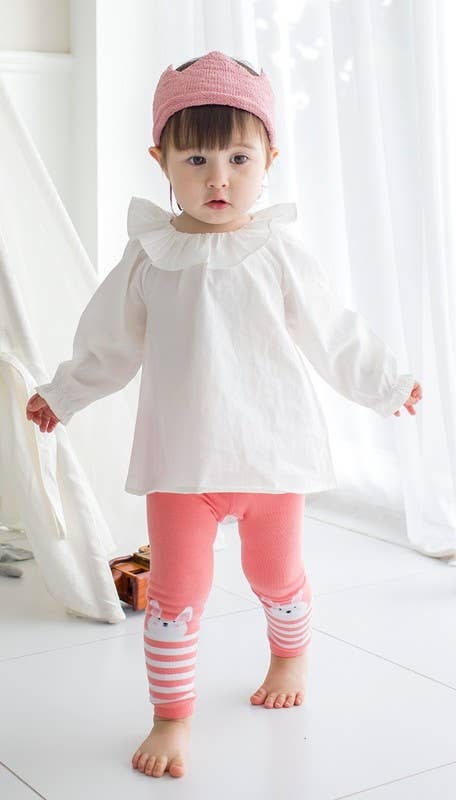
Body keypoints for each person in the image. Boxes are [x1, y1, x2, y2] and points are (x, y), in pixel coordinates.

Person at [25, 50, 423, 780]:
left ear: (270, 156)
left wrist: (384, 384)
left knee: (276, 575)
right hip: (182, 462)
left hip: (270, 455)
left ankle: (289, 653)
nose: (219, 177)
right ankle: (171, 719)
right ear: (161, 160)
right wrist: (65, 393)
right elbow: (108, 343)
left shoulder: (278, 252)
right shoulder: (150, 257)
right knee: (178, 594)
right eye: (198, 156)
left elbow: (333, 334)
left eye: (240, 156)